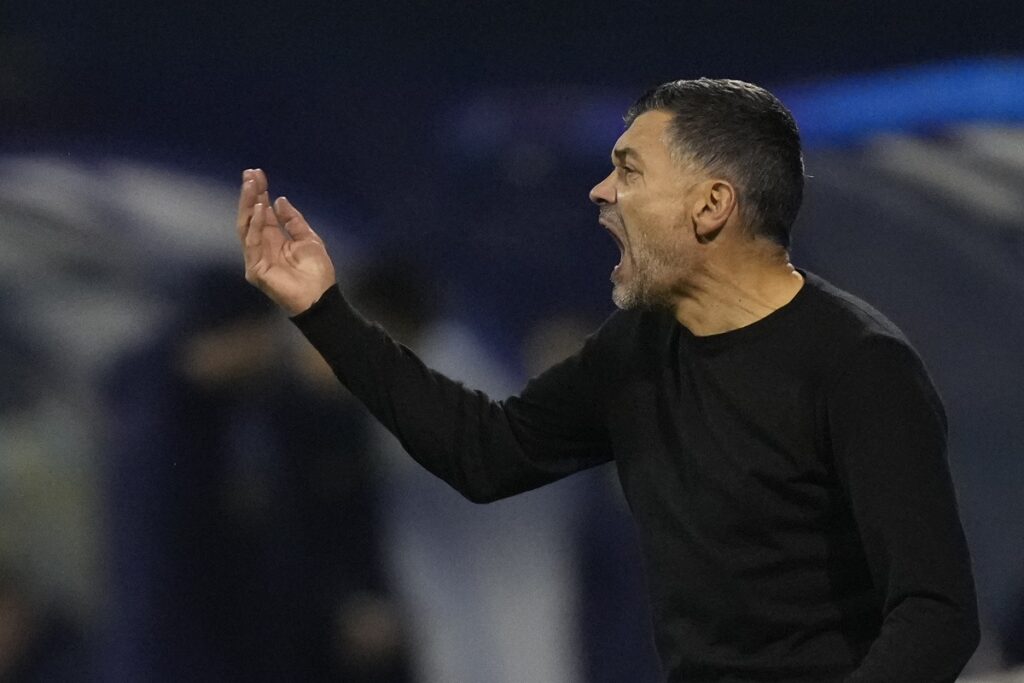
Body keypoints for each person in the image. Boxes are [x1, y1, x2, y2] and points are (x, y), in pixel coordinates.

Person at [235, 78, 980, 681]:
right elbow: (486, 451)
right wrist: (324, 313)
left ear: (712, 205)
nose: (600, 191)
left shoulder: (858, 364)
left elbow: (934, 613)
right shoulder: (638, 349)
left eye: (628, 169)